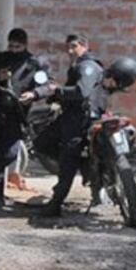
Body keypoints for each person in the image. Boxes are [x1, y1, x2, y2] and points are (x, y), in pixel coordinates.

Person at [0, 28, 54, 209]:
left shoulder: (34, 64)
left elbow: (47, 85)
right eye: (10, 45)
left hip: (16, 115)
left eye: (17, 46)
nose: (13, 50)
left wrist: (33, 94)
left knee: (9, 154)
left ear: (25, 45)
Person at [39, 33, 107, 217]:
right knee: (42, 142)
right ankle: (82, 166)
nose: (70, 51)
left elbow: (81, 91)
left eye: (74, 47)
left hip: (81, 120)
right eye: (68, 47)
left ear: (85, 46)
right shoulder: (78, 65)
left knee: (68, 161)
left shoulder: (88, 66)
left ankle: (56, 204)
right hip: (72, 117)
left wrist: (57, 90)